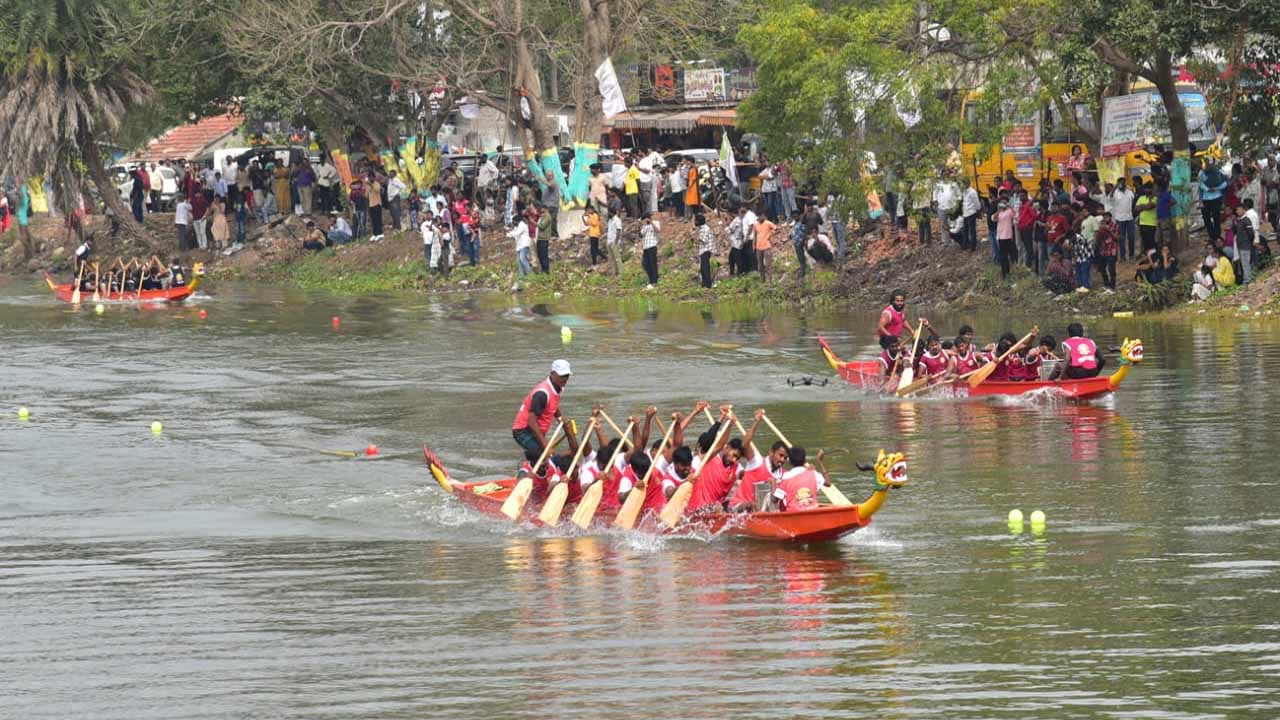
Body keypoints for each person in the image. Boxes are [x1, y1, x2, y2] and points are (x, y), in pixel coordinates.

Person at [511, 360, 571, 461]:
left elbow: (553, 404)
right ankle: (527, 470)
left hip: (536, 429)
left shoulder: (559, 387)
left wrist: (561, 419)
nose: (565, 379)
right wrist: (545, 445)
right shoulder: (542, 394)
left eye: (567, 375)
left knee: (543, 458)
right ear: (552, 374)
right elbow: (531, 421)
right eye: (562, 376)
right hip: (523, 430)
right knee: (542, 456)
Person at [771, 446, 827, 511]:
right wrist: (820, 462)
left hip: (793, 515)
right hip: (812, 512)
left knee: (782, 502)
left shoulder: (786, 477)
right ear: (804, 460)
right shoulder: (813, 473)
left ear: (789, 461)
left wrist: (773, 483)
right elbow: (828, 483)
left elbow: (774, 500)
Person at [1199, 160, 1229, 243]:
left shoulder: (1218, 172)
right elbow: (1200, 184)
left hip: (1213, 198)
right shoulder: (1203, 173)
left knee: (1214, 218)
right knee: (1209, 219)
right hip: (1208, 199)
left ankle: (1216, 236)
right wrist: (1210, 189)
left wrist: (1212, 189)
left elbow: (1225, 183)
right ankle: (1213, 236)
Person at [1110, 178, 1136, 259]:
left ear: (1125, 183)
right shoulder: (1115, 193)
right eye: (1119, 183)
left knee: (1131, 237)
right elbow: (1110, 197)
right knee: (1121, 238)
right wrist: (1114, 187)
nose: (1121, 184)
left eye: (1122, 183)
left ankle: (1131, 255)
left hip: (1129, 217)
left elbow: (1134, 201)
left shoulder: (1130, 192)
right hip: (1119, 218)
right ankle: (1122, 256)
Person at [1096, 211, 1119, 291]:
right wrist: (1100, 231)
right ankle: (1106, 284)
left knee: (1111, 269)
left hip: (1112, 250)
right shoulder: (1101, 226)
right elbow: (1098, 239)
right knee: (1102, 269)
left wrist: (1108, 230)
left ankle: (1113, 286)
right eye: (1104, 217)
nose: (1106, 218)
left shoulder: (1115, 225)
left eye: (1107, 217)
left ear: (1110, 217)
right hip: (1103, 250)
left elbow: (1117, 238)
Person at [1234, 200, 1256, 284]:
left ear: (1244, 210)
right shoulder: (1238, 221)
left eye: (1239, 209)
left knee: (1246, 263)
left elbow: (1251, 233)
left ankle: (1247, 280)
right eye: (1236, 210)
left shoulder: (1246, 220)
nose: (1238, 211)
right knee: (1245, 263)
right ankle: (1248, 278)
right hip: (1240, 245)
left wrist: (1247, 241)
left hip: (1245, 244)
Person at [506, 212, 532, 277]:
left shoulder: (522, 225)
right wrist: (509, 231)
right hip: (519, 246)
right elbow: (514, 232)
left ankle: (530, 273)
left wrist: (509, 234)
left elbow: (517, 233)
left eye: (513, 221)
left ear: (516, 221)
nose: (513, 223)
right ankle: (522, 275)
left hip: (524, 244)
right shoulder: (517, 226)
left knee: (522, 259)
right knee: (519, 261)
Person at [995, 197, 1016, 278]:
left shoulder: (1009, 211)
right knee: (1003, 256)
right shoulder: (999, 212)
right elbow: (993, 218)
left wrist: (1010, 207)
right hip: (1000, 237)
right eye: (1001, 203)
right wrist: (998, 210)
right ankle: (1005, 273)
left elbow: (1016, 216)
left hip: (1008, 236)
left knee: (1009, 255)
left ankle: (1010, 271)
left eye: (1005, 203)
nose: (1003, 204)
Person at [753, 212, 777, 283]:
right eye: (759, 216)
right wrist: (754, 245)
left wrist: (770, 234)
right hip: (758, 247)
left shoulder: (768, 223)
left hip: (767, 246)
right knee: (760, 266)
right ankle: (762, 280)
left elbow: (776, 228)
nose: (760, 218)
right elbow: (755, 235)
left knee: (768, 265)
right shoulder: (756, 225)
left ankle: (771, 280)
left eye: (761, 216)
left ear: (763, 216)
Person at [694, 214, 716, 288]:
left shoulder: (704, 229)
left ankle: (707, 284)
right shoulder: (703, 228)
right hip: (705, 250)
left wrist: (695, 238)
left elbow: (704, 240)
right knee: (703, 268)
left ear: (699, 221)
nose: (694, 222)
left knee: (705, 268)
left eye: (695, 220)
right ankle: (704, 284)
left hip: (705, 250)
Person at [640, 212, 660, 288]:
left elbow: (658, 230)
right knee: (645, 264)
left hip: (652, 246)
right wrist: (641, 224)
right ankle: (651, 279)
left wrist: (651, 223)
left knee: (653, 264)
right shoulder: (644, 226)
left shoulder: (655, 223)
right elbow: (641, 235)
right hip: (645, 247)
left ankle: (654, 281)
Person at [605, 208, 624, 277]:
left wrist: (616, 241)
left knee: (617, 258)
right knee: (611, 258)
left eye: (609, 213)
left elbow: (619, 231)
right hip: (609, 241)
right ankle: (614, 273)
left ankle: (621, 273)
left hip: (614, 241)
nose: (607, 214)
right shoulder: (610, 220)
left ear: (612, 213)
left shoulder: (617, 220)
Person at [367, 172, 384, 241]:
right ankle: (375, 234)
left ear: (374, 177)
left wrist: (371, 185)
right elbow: (366, 194)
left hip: (377, 204)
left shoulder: (376, 183)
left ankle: (380, 233)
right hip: (371, 205)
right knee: (373, 220)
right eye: (369, 177)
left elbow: (377, 190)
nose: (370, 178)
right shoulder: (368, 185)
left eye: (372, 177)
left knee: (378, 219)